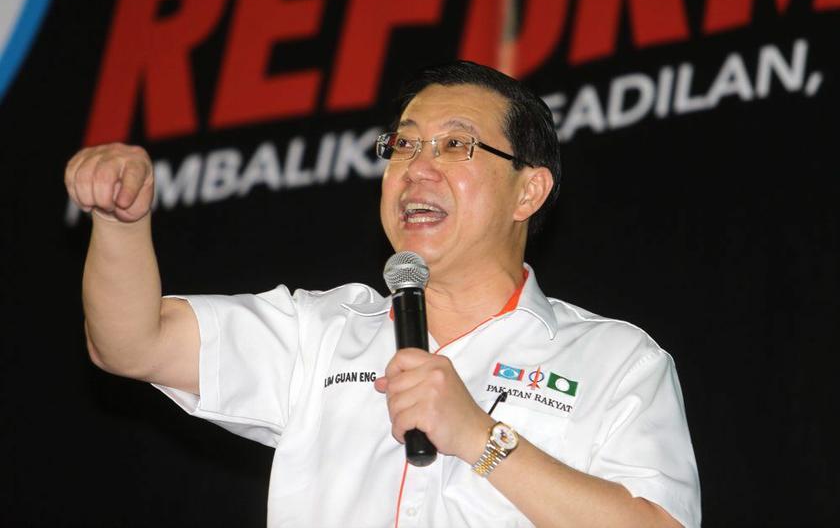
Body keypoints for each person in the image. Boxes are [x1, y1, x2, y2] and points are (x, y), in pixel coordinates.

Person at [65, 61, 701, 527]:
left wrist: (482, 439)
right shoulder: (322, 331)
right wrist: (121, 223)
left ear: (528, 192)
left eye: (455, 145)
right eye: (403, 145)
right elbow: (130, 341)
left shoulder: (616, 361)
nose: (416, 168)